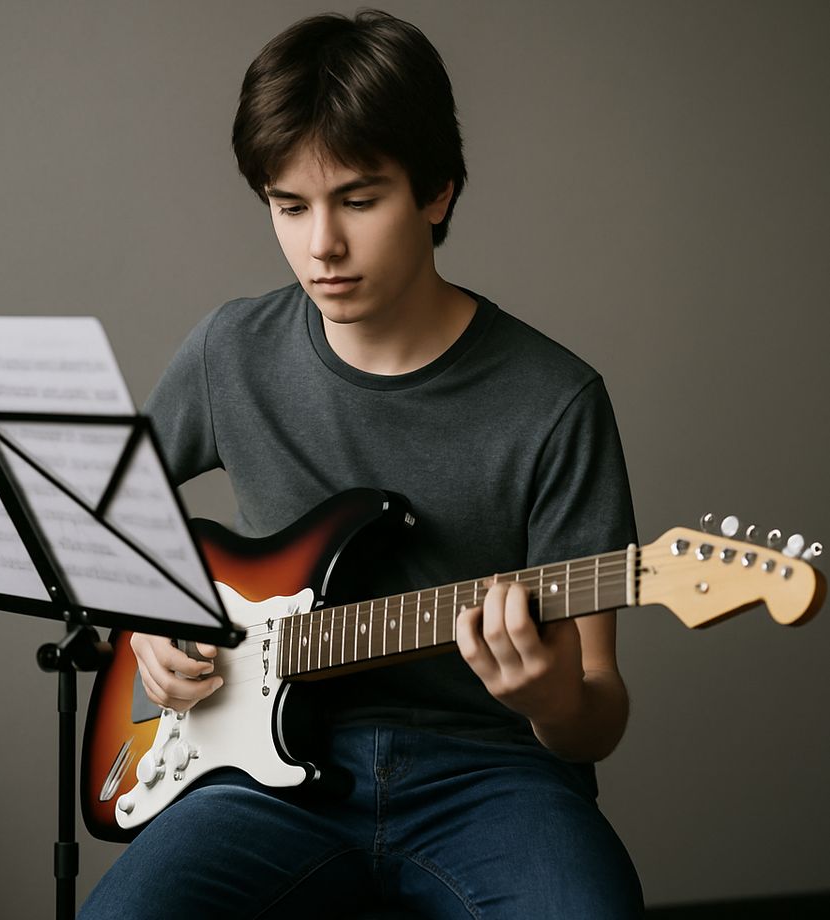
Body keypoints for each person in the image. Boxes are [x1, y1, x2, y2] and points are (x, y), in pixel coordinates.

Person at [80, 10, 644, 918]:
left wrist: (549, 700)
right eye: (288, 206)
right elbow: (99, 519)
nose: (321, 248)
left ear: (437, 192)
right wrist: (147, 619)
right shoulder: (231, 351)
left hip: (495, 778)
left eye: (358, 198)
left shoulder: (555, 400)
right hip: (255, 776)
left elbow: (600, 711)